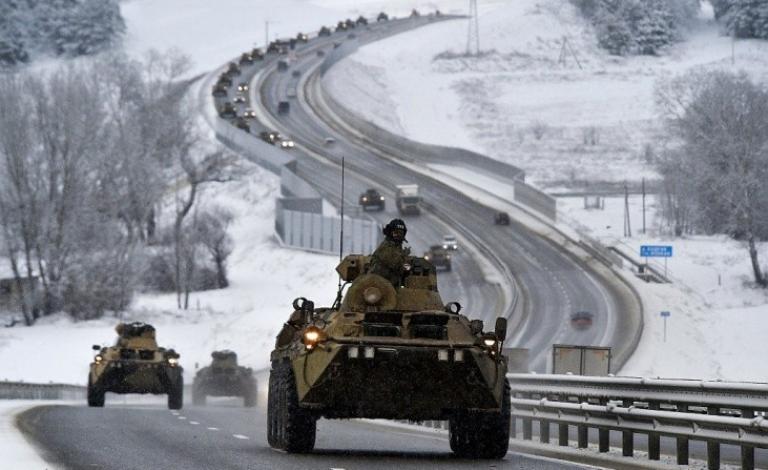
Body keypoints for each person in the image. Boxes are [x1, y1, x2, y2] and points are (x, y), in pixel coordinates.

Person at [368, 219, 411, 287]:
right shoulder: (386, 246)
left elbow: (404, 267)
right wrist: (404, 256)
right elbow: (395, 263)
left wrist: (406, 264)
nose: (398, 236)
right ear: (390, 233)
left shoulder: (397, 247)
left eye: (401, 233)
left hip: (389, 284)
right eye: (396, 233)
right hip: (378, 285)